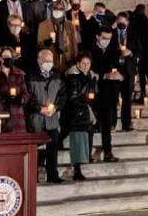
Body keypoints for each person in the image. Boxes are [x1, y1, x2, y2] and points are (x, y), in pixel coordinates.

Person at [26, 49, 66, 183]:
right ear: (39, 61)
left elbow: (62, 95)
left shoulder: (57, 76)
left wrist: (56, 107)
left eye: (50, 61)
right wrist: (39, 108)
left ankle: (52, 174)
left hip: (52, 120)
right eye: (45, 61)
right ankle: (34, 175)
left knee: (52, 148)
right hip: (36, 120)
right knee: (36, 149)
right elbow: (28, 97)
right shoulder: (30, 76)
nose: (48, 63)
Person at [90, 26, 122, 163]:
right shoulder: (90, 50)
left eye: (109, 39)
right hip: (94, 91)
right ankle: (87, 152)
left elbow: (120, 68)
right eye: (104, 38)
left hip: (109, 92)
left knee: (107, 124)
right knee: (91, 123)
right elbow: (90, 71)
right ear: (97, 36)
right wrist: (105, 75)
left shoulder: (113, 50)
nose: (106, 41)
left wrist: (120, 76)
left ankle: (108, 152)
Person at [64, 52, 97, 181]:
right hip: (76, 114)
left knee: (85, 138)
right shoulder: (73, 78)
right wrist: (86, 101)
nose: (85, 66)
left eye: (88, 63)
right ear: (78, 64)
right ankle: (77, 170)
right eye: (83, 63)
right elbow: (72, 98)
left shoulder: (90, 77)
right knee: (78, 140)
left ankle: (84, 161)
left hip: (85, 113)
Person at [0, 46, 29, 133]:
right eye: (5, 56)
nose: (7, 58)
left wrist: (21, 99)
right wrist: (3, 98)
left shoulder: (19, 74)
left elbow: (26, 94)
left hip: (17, 115)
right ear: (0, 58)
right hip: (1, 114)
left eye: (10, 56)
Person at [37, 0, 77, 72]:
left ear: (64, 11)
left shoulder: (70, 25)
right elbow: (39, 45)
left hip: (66, 60)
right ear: (52, 9)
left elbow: (74, 44)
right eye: (55, 8)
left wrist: (73, 60)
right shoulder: (43, 25)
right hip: (50, 61)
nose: (58, 11)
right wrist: (45, 43)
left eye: (61, 9)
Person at [115, 12, 139, 132]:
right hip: (115, 70)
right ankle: (112, 123)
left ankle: (127, 123)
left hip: (129, 70)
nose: (121, 24)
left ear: (127, 23)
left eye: (123, 22)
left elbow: (140, 51)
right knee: (112, 97)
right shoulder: (113, 34)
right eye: (119, 22)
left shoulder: (134, 34)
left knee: (127, 99)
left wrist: (131, 53)